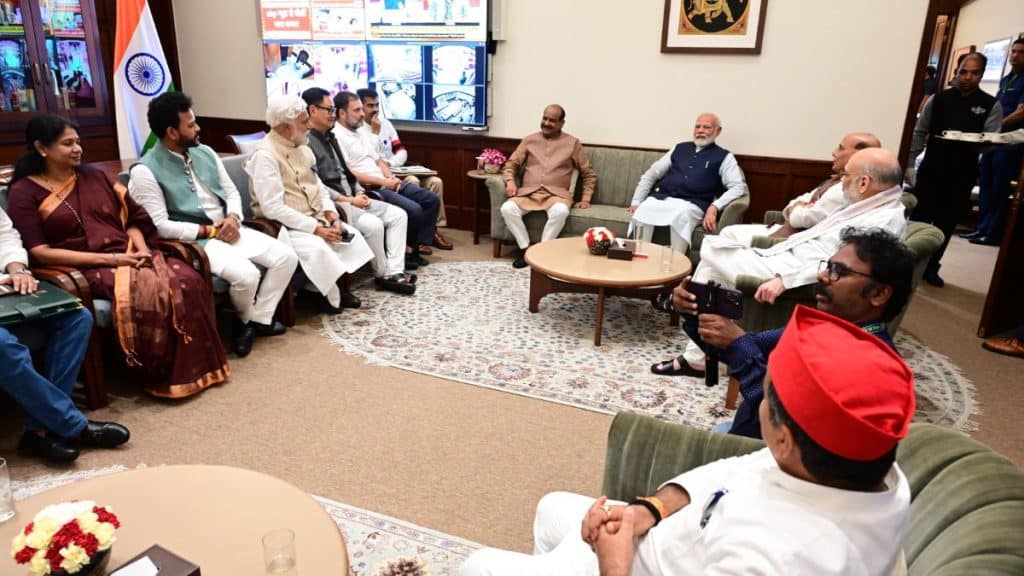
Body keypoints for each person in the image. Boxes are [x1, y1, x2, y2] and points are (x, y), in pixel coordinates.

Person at [459, 305, 915, 576]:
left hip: (627, 566)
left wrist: (613, 563)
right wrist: (646, 511)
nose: (757, 404)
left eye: (765, 396)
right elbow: (731, 470)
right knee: (552, 508)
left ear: (783, 440)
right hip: (660, 538)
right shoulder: (856, 460)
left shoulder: (777, 558)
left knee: (476, 566)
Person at [6, 114, 229, 398]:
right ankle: (157, 372)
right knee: (152, 290)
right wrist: (113, 261)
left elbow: (133, 218)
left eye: (78, 142)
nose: (77, 149)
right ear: (41, 147)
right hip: (82, 266)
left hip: (129, 251)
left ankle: (195, 368)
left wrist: (142, 249)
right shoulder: (24, 192)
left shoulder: (94, 176)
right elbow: (40, 252)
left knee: (187, 279)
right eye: (67, 144)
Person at [657, 227, 914, 439]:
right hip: (746, 432)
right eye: (827, 266)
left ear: (879, 293)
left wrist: (739, 344)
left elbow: (783, 417)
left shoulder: (869, 365)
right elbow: (737, 347)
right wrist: (693, 311)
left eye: (839, 271)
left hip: (772, 458)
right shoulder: (821, 325)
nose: (822, 276)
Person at [675, 147, 907, 374]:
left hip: (793, 272)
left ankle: (699, 355)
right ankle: (699, 357)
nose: (841, 182)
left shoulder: (882, 222)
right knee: (713, 263)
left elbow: (838, 267)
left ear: (864, 183)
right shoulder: (871, 206)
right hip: (790, 258)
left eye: (845, 175)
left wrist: (785, 280)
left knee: (711, 248)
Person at [129, 91, 299, 358]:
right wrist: (208, 231)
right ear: (172, 132)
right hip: (195, 241)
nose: (198, 128)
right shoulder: (144, 171)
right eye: (191, 125)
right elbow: (159, 225)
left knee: (286, 257)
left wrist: (233, 218)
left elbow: (231, 192)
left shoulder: (205, 152)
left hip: (229, 228)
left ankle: (255, 321)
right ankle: (247, 320)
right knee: (247, 275)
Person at [1, 206, 129, 463]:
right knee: (2, 344)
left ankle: (39, 429)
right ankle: (71, 424)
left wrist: (17, 270)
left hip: (6, 292)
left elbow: (5, 235)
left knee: (77, 318)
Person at [246, 95, 375, 314]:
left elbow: (319, 187)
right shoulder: (265, 155)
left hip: (316, 216)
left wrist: (332, 215)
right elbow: (272, 208)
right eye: (304, 122)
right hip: (286, 226)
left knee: (348, 235)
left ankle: (319, 289)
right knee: (319, 247)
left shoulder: (303, 148)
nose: (309, 126)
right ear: (286, 127)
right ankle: (324, 293)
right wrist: (316, 228)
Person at [301, 87, 416, 294]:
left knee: (399, 215)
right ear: (312, 110)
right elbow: (317, 185)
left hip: (354, 196)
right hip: (336, 203)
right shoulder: (306, 143)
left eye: (333, 110)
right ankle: (383, 274)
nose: (332, 114)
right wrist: (349, 199)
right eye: (329, 110)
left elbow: (348, 172)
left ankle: (394, 271)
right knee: (374, 225)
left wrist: (358, 191)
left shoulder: (330, 137)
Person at [907, 52, 1002, 287]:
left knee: (946, 222)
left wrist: (976, 141)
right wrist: (910, 164)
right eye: (964, 72)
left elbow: (991, 140)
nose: (968, 77)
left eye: (975, 73)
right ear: (956, 71)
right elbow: (920, 132)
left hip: (962, 173)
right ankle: (907, 266)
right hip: (931, 169)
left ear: (981, 74)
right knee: (919, 218)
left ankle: (932, 267)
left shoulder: (991, 104)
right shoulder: (938, 99)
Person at [333, 90, 440, 271]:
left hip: (384, 180)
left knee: (431, 200)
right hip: (371, 187)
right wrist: (384, 182)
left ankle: (415, 246)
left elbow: (378, 160)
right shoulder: (337, 136)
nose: (362, 114)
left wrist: (390, 176)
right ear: (342, 113)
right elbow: (352, 173)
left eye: (361, 109)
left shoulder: (359, 132)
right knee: (414, 210)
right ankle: (407, 252)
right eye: (357, 110)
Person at [713, 132, 881, 245]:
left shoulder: (848, 189)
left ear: (858, 155)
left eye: (841, 148)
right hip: (787, 230)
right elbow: (797, 203)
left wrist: (799, 210)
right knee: (725, 236)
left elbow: (804, 218)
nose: (834, 152)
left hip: (794, 241)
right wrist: (798, 208)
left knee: (723, 240)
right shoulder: (840, 179)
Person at [629, 113, 748, 255]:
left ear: (718, 131)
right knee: (644, 208)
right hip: (662, 198)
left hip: (693, 204)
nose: (700, 130)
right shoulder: (679, 148)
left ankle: (677, 262)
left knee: (682, 215)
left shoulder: (724, 156)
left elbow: (738, 187)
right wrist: (636, 201)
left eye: (706, 127)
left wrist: (714, 207)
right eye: (697, 126)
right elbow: (652, 173)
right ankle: (640, 256)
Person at [500, 104, 598, 268]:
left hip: (557, 196)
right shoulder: (529, 140)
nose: (546, 123)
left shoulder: (572, 143)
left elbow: (588, 173)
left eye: (552, 120)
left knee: (560, 212)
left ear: (561, 123)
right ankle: (525, 249)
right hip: (529, 193)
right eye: (544, 118)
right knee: (507, 209)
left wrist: (586, 198)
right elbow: (511, 164)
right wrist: (510, 181)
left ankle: (542, 252)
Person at [357, 87, 452, 251]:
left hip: (395, 169)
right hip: (379, 177)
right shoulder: (359, 129)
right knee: (413, 181)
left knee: (436, 182)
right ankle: (417, 240)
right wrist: (375, 133)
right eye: (370, 106)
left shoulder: (385, 124)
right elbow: (371, 158)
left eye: (377, 105)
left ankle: (431, 232)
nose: (375, 110)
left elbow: (401, 151)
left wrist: (391, 164)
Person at [970, 38, 1024, 246]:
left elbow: (1021, 112)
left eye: (1021, 52)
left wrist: (996, 125)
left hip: (1010, 143)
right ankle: (981, 228)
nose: (1015, 55)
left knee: (1000, 188)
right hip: (994, 140)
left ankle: (992, 233)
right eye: (1014, 51)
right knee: (987, 183)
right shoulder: (1007, 78)